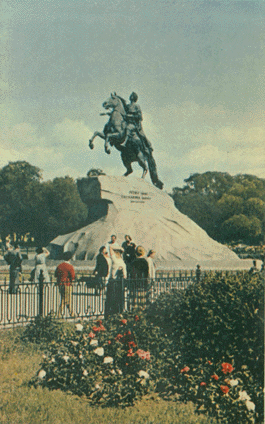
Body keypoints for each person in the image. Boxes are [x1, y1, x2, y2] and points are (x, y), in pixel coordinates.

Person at [104, 246, 127, 319]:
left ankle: (108, 314)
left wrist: (115, 248)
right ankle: (118, 313)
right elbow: (125, 276)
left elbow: (110, 247)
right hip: (120, 283)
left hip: (113, 281)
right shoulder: (122, 262)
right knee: (119, 300)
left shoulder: (114, 260)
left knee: (110, 300)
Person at [55, 251, 75, 318]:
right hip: (67, 284)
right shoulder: (70, 266)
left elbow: (56, 274)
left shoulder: (59, 266)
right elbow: (72, 276)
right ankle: (59, 313)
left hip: (60, 283)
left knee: (65, 298)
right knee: (65, 299)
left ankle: (71, 312)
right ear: (70, 258)